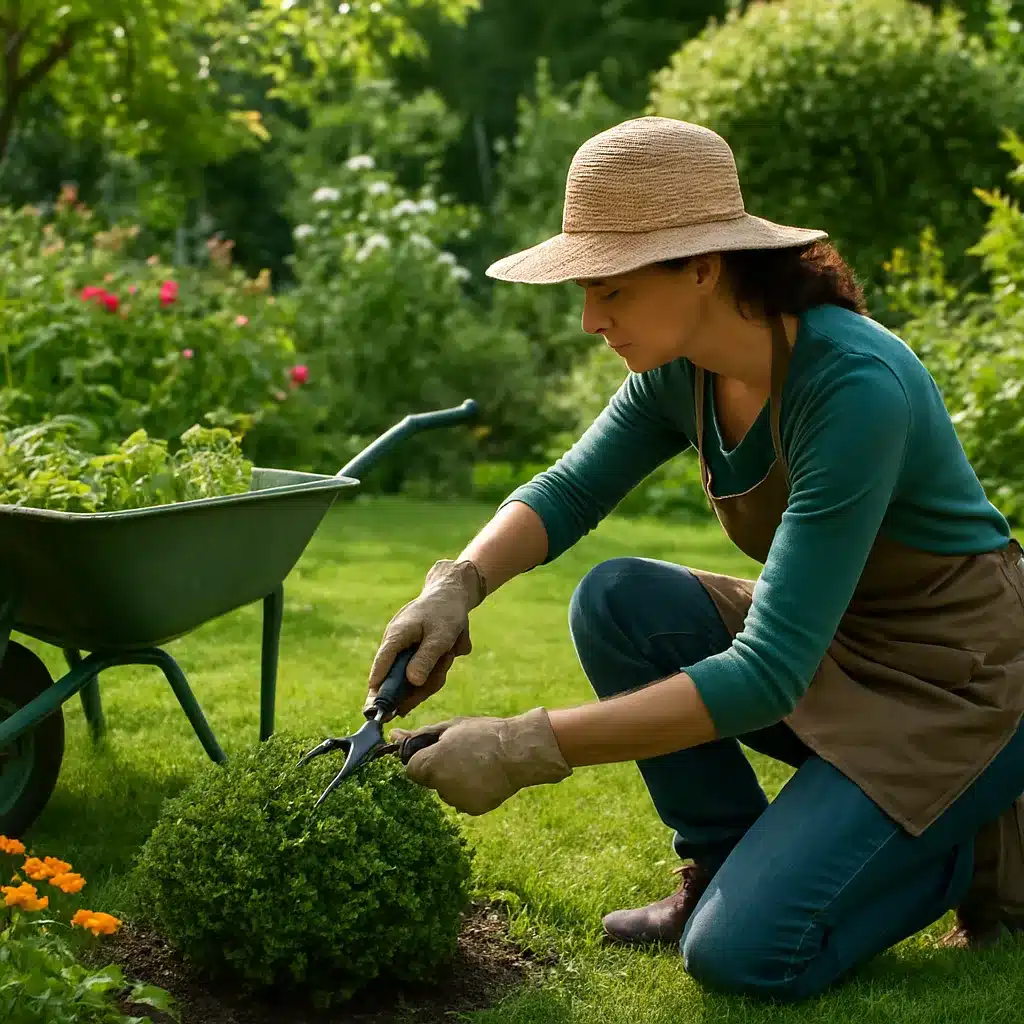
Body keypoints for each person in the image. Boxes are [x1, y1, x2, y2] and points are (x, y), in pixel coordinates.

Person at [364, 117, 1024, 1001]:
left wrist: (526, 747)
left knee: (742, 956)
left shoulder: (854, 385)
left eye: (610, 289)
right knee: (617, 600)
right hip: (840, 644)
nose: (592, 320)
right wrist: (456, 585)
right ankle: (720, 862)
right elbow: (566, 492)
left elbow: (765, 676)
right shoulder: (687, 370)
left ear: (703, 267)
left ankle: (963, 851)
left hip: (963, 686)